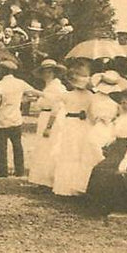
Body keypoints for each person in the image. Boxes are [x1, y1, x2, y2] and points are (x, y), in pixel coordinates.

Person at [86, 90, 127, 215]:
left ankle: (110, 207)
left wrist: (125, 162)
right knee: (100, 169)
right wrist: (109, 143)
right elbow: (117, 134)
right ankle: (100, 206)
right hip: (119, 149)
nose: (125, 105)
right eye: (123, 102)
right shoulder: (123, 116)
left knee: (104, 171)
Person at [0, 59, 43, 178]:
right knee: (17, 146)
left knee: (2, 147)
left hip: (1, 120)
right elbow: (33, 92)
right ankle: (19, 170)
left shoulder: (0, 85)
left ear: (3, 71)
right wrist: (44, 95)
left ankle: (2, 172)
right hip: (15, 119)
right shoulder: (20, 83)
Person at [51, 65, 95, 196]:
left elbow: (55, 105)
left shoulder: (66, 95)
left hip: (70, 124)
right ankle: (77, 186)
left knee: (68, 154)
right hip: (83, 125)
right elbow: (91, 114)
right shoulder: (90, 96)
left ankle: (65, 187)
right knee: (79, 155)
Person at [28, 59, 66, 188]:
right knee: (42, 149)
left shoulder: (57, 86)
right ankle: (42, 180)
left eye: (50, 72)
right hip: (44, 117)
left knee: (50, 149)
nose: (47, 74)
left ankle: (49, 181)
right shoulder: (48, 86)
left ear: (54, 73)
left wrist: (49, 126)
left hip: (51, 119)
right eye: (45, 72)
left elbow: (57, 107)